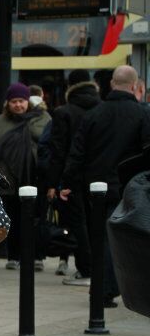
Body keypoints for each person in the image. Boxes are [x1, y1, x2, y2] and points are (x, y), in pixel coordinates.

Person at [60, 64, 150, 308]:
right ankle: (116, 289)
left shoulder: (94, 115)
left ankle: (100, 290)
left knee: (99, 239)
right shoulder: (143, 114)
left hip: (95, 189)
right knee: (125, 241)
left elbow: (77, 152)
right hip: (131, 188)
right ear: (134, 86)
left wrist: (68, 183)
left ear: (112, 84)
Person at [45, 69, 101, 285]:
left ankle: (85, 269)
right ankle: (97, 269)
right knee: (96, 223)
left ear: (70, 87)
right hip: (99, 178)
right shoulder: (101, 109)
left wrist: (53, 183)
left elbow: (58, 152)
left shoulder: (63, 113)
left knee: (78, 224)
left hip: (73, 179)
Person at [0, 82, 51, 271]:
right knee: (12, 219)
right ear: (7, 103)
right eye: (14, 101)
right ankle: (13, 256)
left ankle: (37, 256)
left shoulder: (41, 118)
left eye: (21, 101)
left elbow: (49, 143)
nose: (18, 105)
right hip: (9, 179)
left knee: (37, 219)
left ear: (28, 102)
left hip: (36, 177)